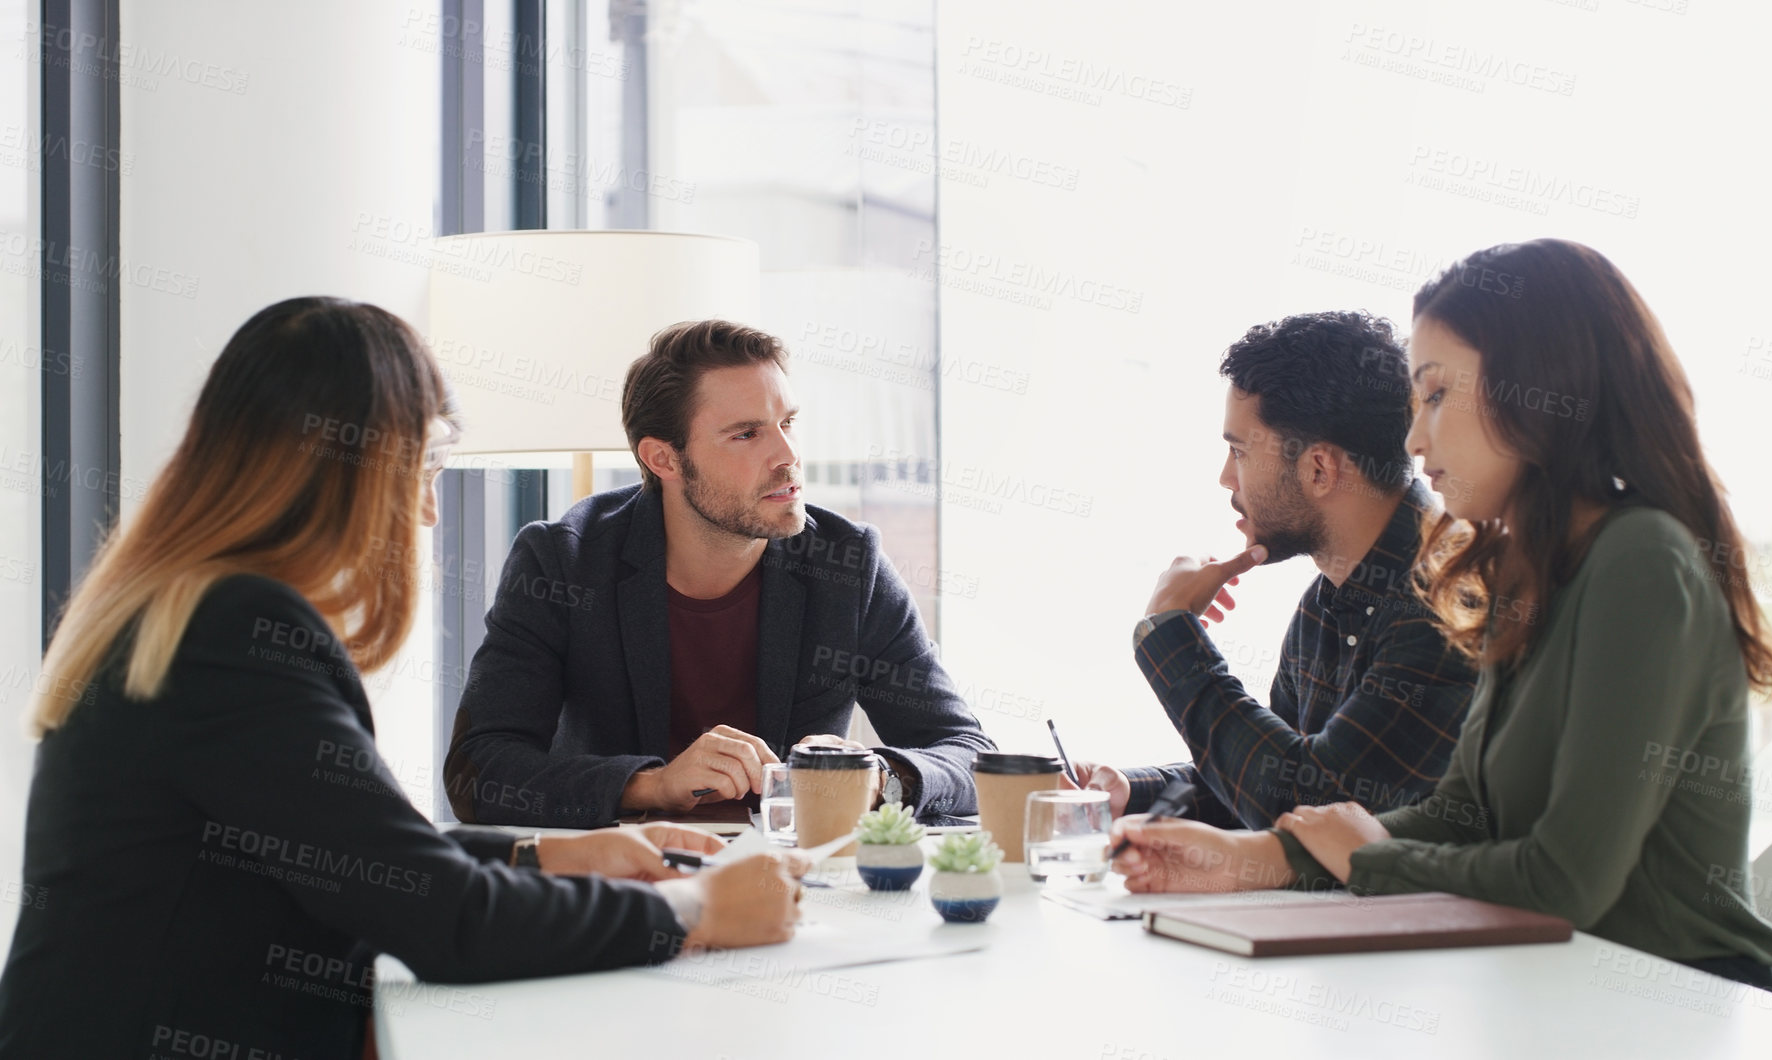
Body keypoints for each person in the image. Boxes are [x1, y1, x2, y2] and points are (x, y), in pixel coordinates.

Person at [0, 299, 806, 1059]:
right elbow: (443, 920)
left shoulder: (187, 613)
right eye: (425, 466)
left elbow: (362, 854)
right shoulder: (236, 636)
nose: (425, 512)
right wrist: (694, 909)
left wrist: (561, 855)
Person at [1112, 240, 1772, 991]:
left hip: (1666, 1002)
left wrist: (1365, 856)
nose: (1413, 440)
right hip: (1550, 985)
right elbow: (1461, 813)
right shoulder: (1526, 572)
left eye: (1435, 397)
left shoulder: (1640, 558)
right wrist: (1249, 857)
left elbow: (1564, 879)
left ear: (1537, 389)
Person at [445, 319, 992, 828]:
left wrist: (881, 778)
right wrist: (652, 785)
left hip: (795, 887)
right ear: (664, 459)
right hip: (625, 887)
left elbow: (968, 753)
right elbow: (478, 772)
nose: (788, 455)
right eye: (746, 434)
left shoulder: (847, 565)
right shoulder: (563, 562)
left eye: (788, 423)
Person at [1064, 312, 1476, 828]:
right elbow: (1267, 774)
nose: (1224, 477)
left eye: (1239, 451)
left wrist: (1172, 638)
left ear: (1319, 469)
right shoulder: (1330, 598)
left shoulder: (1444, 600)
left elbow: (1307, 810)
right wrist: (1133, 793)